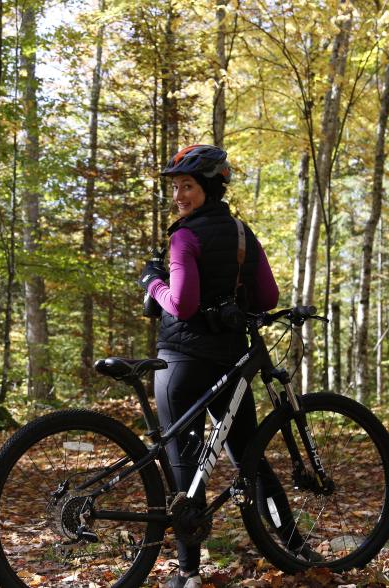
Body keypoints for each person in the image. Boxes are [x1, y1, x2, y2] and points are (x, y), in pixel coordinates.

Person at [138, 144, 279, 588]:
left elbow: (180, 303)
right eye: (177, 187)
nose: (180, 195)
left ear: (210, 187)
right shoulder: (242, 233)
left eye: (188, 186)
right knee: (250, 457)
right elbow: (268, 298)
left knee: (183, 466)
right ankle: (294, 545)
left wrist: (152, 283)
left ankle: (187, 575)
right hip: (231, 362)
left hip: (181, 363)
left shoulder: (183, 237)